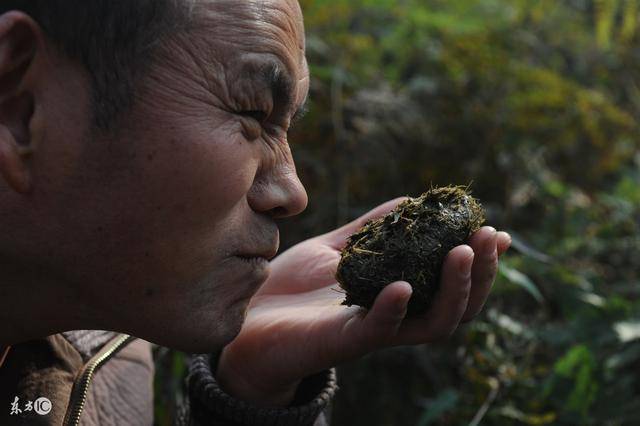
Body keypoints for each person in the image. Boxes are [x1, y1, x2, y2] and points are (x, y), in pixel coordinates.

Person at [0, 1, 511, 425]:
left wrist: (251, 391)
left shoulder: (113, 351)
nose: (293, 192)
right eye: (252, 113)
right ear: (20, 109)